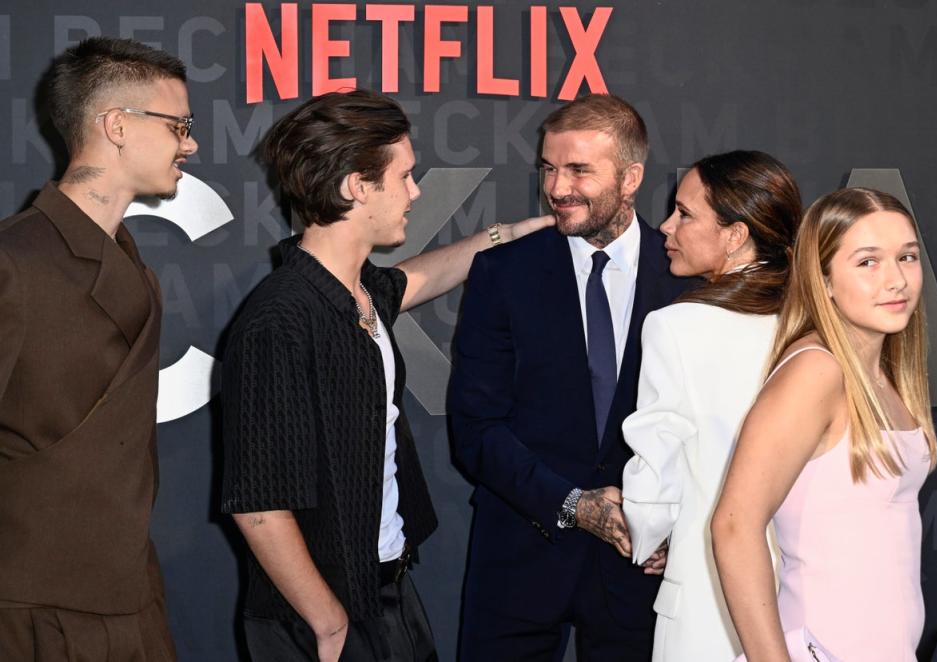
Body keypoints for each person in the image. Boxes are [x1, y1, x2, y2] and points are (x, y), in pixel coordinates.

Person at [219, 89, 551, 662]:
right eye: (404, 176)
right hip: (320, 615)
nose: (415, 191)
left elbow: (418, 278)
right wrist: (326, 622)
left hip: (386, 588)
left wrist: (504, 238)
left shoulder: (360, 290)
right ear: (356, 185)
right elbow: (259, 507)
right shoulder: (279, 322)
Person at [448, 93, 689, 661]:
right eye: (549, 168)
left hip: (644, 569)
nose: (558, 188)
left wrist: (677, 530)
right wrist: (574, 504)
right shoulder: (503, 272)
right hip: (519, 558)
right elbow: (475, 428)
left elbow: (715, 433)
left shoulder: (686, 278)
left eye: (579, 170)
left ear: (630, 178)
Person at [0, 37, 198, 660]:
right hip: (31, 610)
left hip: (130, 592)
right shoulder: (13, 262)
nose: (189, 144)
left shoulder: (133, 266)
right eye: (179, 125)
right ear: (117, 124)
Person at [711, 187, 937, 661]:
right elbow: (734, 525)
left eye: (907, 257)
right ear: (824, 279)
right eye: (868, 262)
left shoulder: (883, 373)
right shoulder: (817, 371)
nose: (895, 280)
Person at [620, 150, 802, 661]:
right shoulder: (818, 321)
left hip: (710, 597)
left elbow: (654, 486)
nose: (665, 226)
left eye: (685, 213)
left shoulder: (677, 327)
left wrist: (645, 534)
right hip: (806, 594)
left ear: (735, 234)